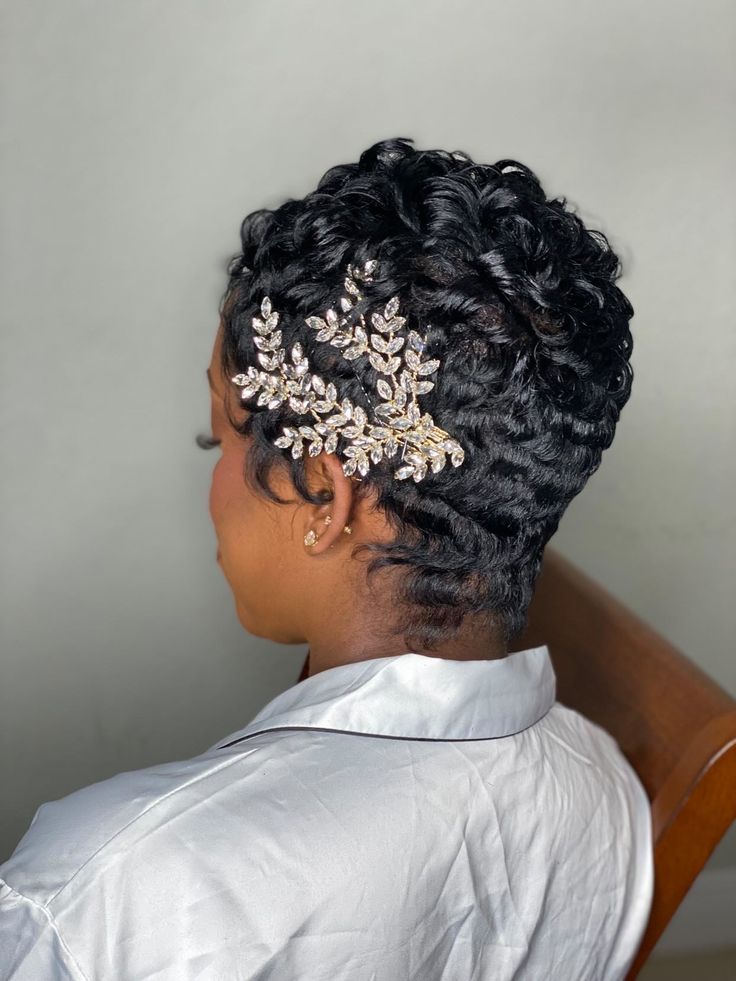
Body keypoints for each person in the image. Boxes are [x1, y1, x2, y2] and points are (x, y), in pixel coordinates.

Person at [0, 137, 653, 979]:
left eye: (220, 437)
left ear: (322, 494)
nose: (211, 476)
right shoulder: (607, 797)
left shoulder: (106, 892)